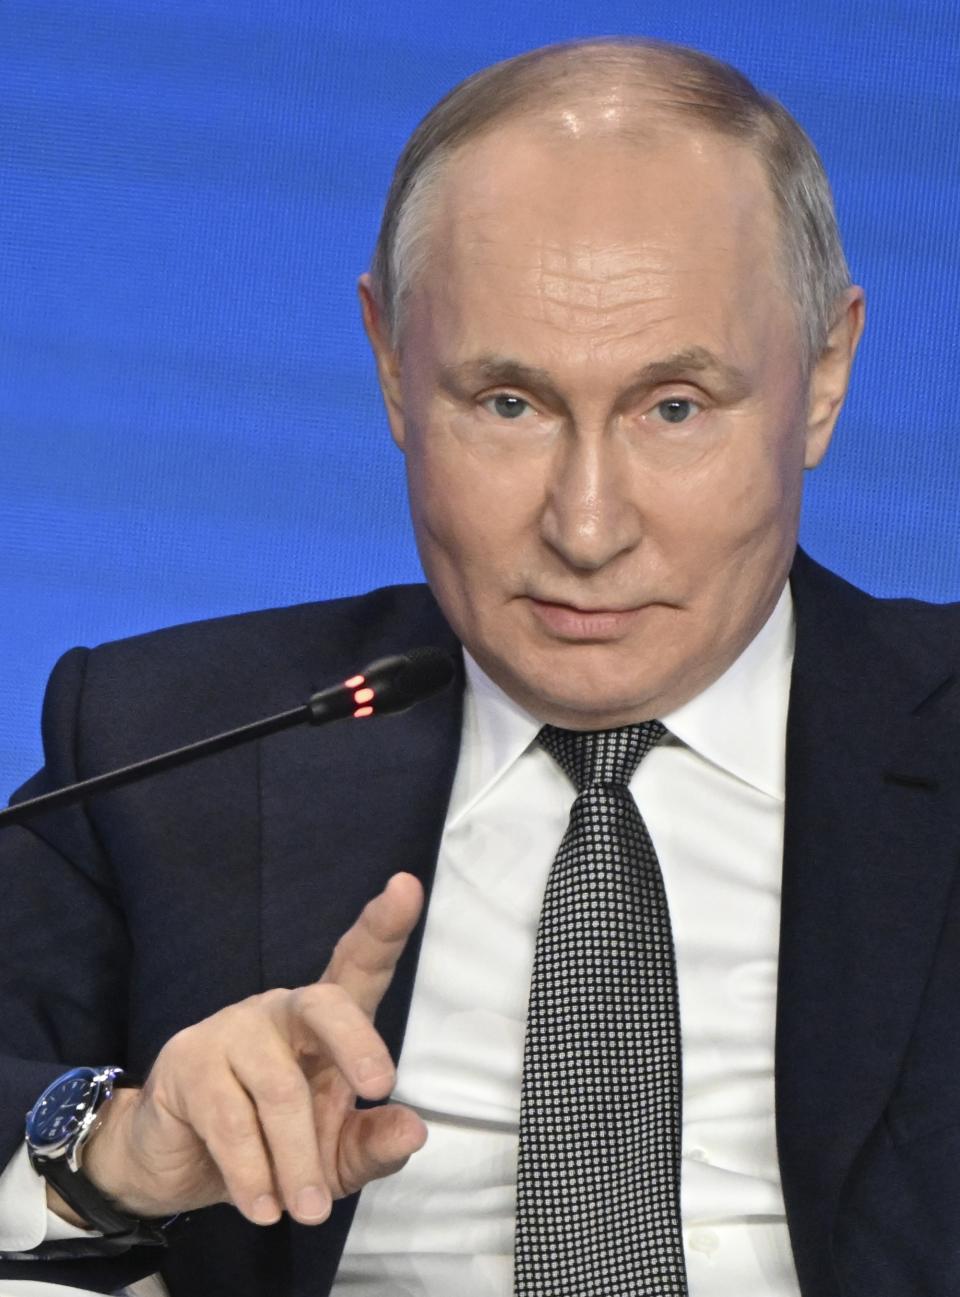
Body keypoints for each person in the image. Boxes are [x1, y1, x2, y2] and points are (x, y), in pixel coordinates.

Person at [1, 34, 958, 1297]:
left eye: (674, 406)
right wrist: (112, 1153)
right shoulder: (157, 745)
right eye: (509, 404)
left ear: (825, 377)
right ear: (394, 366)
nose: (587, 524)